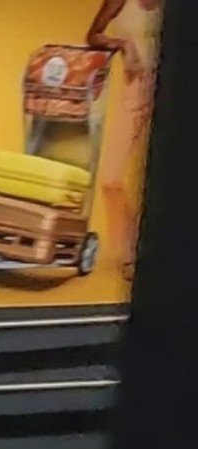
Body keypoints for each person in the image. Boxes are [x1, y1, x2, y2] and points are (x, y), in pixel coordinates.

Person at [87, 0, 164, 280]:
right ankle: (130, 250)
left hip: (172, 90)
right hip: (135, 88)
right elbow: (93, 35)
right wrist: (121, 44)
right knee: (111, 177)